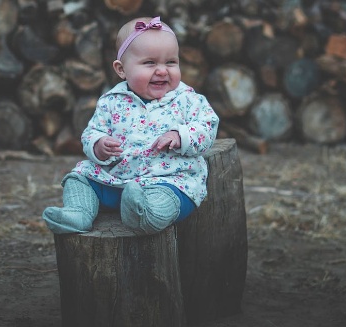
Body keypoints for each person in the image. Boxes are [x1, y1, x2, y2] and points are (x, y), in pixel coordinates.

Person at [42, 16, 219, 235]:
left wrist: (181, 135)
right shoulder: (111, 101)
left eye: (171, 62)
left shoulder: (187, 99)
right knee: (80, 176)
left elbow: (207, 126)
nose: (163, 70)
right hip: (117, 179)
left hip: (168, 180)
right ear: (121, 69)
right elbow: (91, 132)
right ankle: (78, 212)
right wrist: (99, 145)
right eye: (150, 63)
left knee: (168, 199)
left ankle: (146, 216)